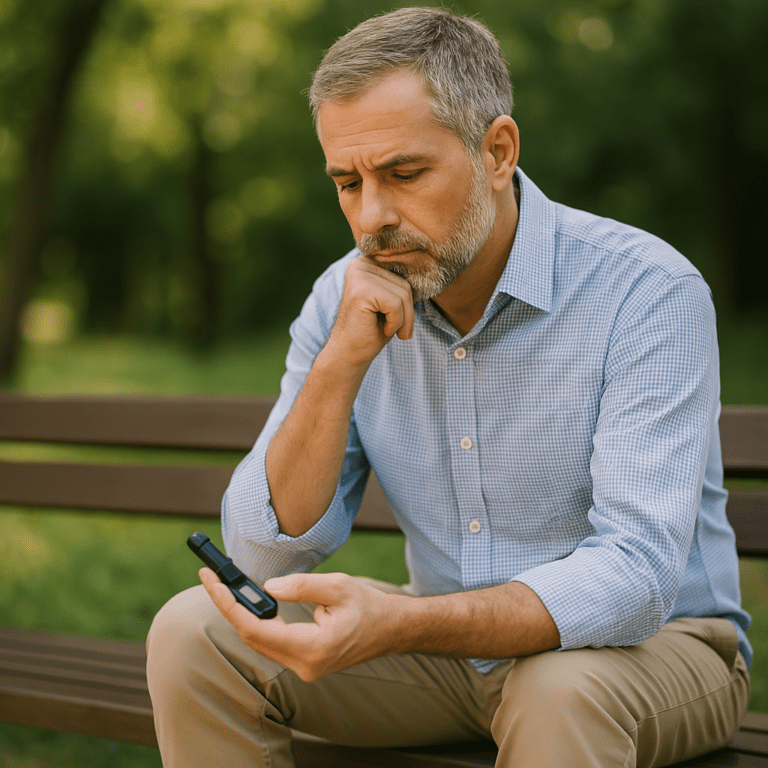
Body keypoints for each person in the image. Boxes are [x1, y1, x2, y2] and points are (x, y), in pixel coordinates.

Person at [146, 7, 751, 767]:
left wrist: (404, 625)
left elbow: (634, 580)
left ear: (497, 151)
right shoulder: (344, 299)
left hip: (653, 651)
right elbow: (263, 562)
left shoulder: (645, 291)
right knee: (190, 633)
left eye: (404, 174)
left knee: (555, 691)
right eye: (347, 182)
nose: (373, 218)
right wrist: (339, 364)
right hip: (446, 653)